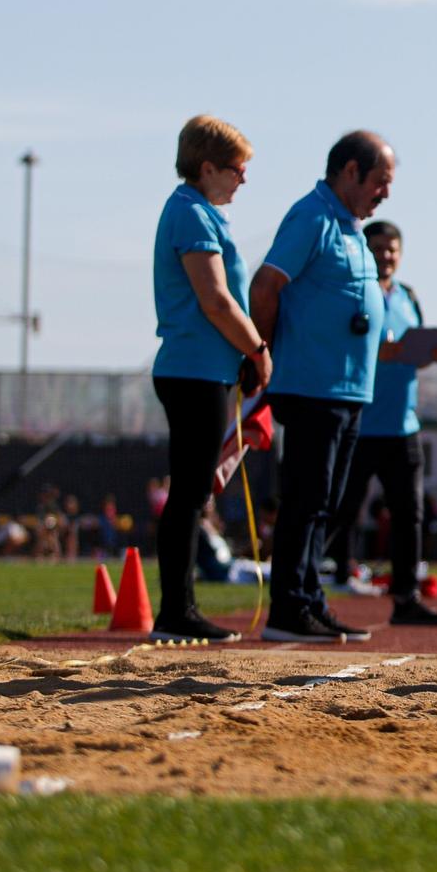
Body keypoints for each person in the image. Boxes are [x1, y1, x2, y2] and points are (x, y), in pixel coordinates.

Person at [248, 129, 395, 643]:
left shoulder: (351, 227)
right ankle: (288, 608)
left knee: (327, 503)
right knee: (306, 499)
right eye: (380, 180)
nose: (386, 193)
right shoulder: (312, 217)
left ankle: (310, 599)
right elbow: (265, 287)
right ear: (350, 171)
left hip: (348, 391)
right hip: (312, 386)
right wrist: (260, 353)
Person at [148, 115, 270, 642]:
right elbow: (216, 300)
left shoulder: (202, 214)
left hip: (207, 370)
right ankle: (176, 611)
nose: (243, 179)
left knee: (194, 493)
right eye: (237, 169)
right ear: (207, 167)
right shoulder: (192, 214)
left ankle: (180, 609)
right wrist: (258, 348)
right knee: (190, 495)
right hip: (193, 372)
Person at [330, 220, 437, 627]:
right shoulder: (355, 291)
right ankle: (316, 588)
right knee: (339, 510)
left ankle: (406, 598)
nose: (386, 255)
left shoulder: (407, 296)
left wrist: (433, 353)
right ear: (366, 250)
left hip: (404, 426)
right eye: (378, 247)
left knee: (409, 514)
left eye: (392, 249)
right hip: (361, 423)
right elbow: (347, 344)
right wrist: (386, 351)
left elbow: (413, 350)